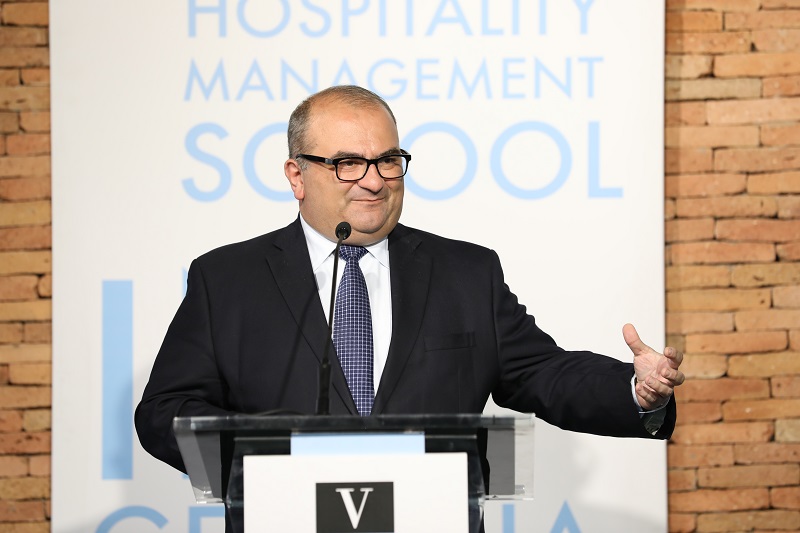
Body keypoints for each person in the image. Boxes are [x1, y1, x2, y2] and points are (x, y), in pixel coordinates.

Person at [135, 84, 684, 526]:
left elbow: (545, 373)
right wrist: (261, 453)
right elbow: (164, 411)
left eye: (388, 160)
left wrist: (635, 391)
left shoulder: (466, 273)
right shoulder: (227, 279)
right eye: (348, 163)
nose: (373, 181)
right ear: (297, 175)